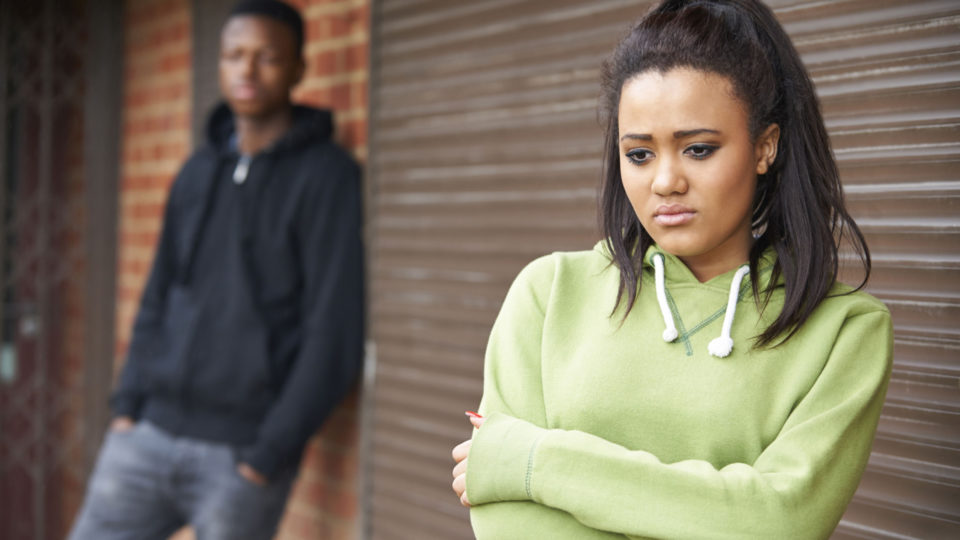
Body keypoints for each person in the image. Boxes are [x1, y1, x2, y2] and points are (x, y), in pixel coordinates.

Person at [451, 1, 892, 538]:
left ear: (765, 146)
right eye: (639, 154)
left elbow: (779, 520)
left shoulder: (845, 332)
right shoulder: (548, 294)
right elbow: (508, 524)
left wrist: (531, 462)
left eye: (699, 149)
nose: (665, 182)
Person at [69, 1, 364, 538]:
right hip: (146, 435)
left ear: (299, 67)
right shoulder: (196, 171)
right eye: (234, 55)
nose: (247, 71)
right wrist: (127, 405)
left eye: (267, 57)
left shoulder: (329, 178)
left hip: (241, 457)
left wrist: (268, 451)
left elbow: (334, 331)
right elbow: (157, 294)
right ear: (219, 64)